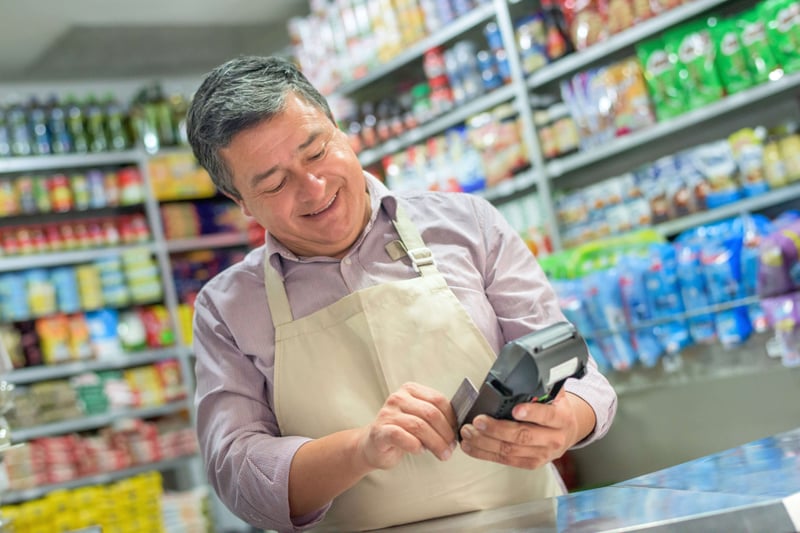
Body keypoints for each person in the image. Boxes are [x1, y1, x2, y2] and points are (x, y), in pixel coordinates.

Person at [186, 55, 617, 532]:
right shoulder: (226, 310)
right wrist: (362, 448)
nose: (313, 188)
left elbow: (580, 376)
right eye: (274, 182)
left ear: (340, 129)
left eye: (316, 152)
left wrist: (568, 421)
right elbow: (237, 472)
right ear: (240, 202)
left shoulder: (468, 226)